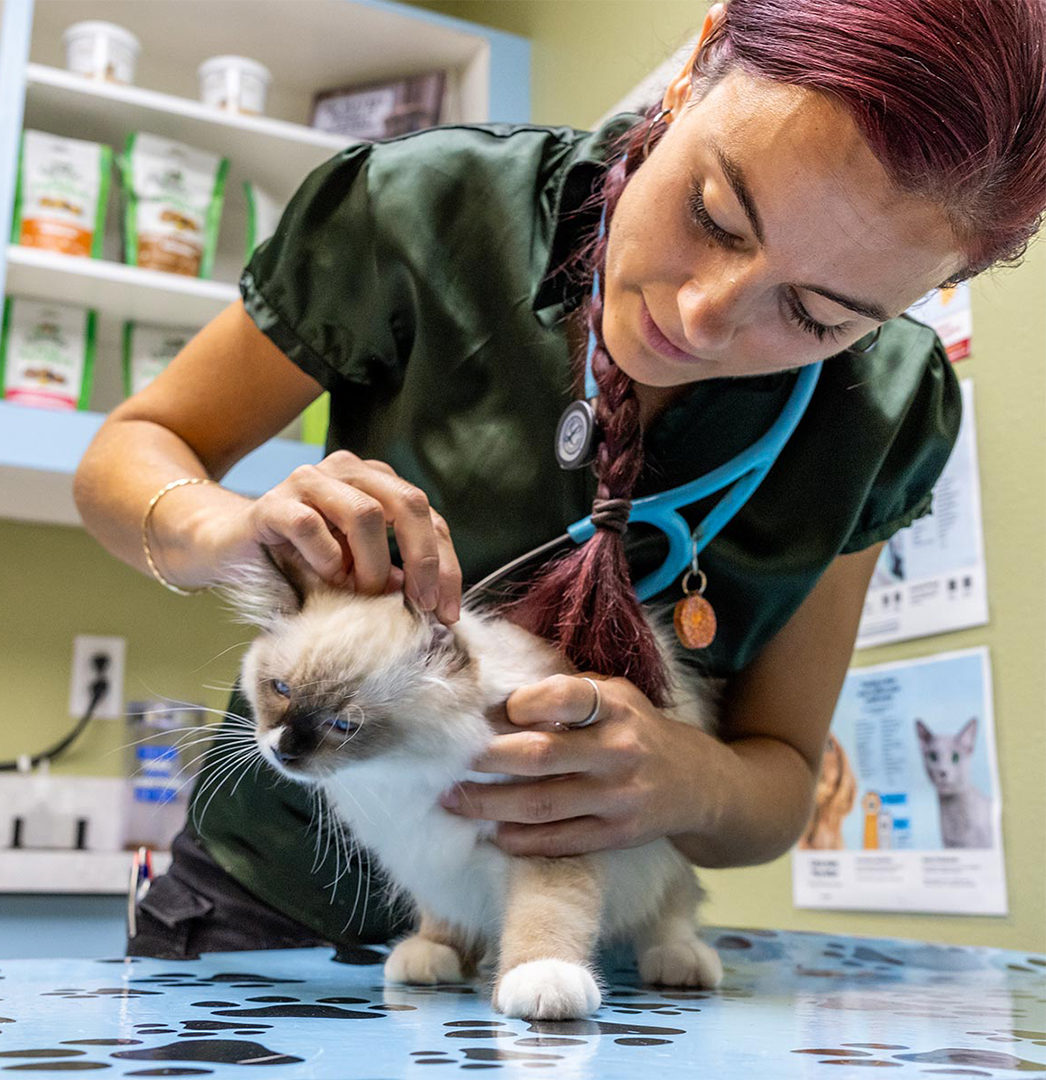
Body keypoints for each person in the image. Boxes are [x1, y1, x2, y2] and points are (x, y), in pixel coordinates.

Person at [73, 0, 1046, 960]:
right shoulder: (426, 208)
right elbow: (138, 444)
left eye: (818, 315)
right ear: (697, 60)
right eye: (713, 213)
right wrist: (218, 530)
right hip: (259, 910)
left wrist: (684, 779)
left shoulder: (884, 412)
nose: (704, 318)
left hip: (566, 950)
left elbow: (780, 783)